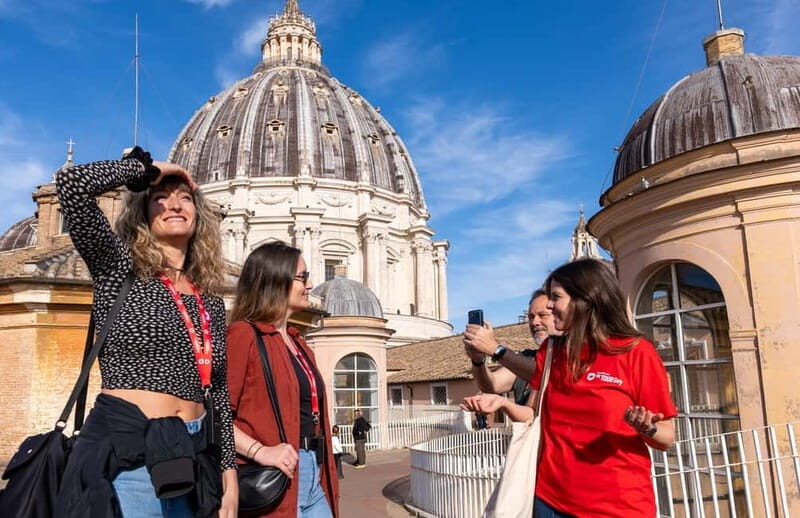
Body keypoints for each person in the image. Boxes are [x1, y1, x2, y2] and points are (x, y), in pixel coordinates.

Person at [54, 147, 238, 517]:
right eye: (160, 198)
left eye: (185, 198)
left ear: (198, 214)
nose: (174, 205)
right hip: (130, 458)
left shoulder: (209, 300)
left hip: (193, 459)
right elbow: (72, 184)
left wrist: (229, 477)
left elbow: (218, 393)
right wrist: (146, 169)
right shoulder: (117, 268)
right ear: (142, 213)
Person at [462, 259, 677, 517]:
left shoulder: (637, 352)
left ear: (586, 299)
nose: (549, 305)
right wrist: (501, 400)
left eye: (556, 297)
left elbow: (666, 437)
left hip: (617, 506)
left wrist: (647, 427)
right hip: (549, 501)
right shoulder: (551, 351)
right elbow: (527, 405)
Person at [227, 241, 339, 517]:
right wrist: (259, 451)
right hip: (273, 475)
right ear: (275, 279)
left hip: (312, 472)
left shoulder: (300, 345)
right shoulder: (244, 335)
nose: (310, 285)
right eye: (302, 277)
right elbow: (215, 416)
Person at [464, 289, 558, 405]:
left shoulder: (573, 358)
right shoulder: (527, 357)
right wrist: (477, 360)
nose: (534, 322)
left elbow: (546, 375)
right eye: (531, 317)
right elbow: (492, 385)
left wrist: (495, 349)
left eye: (542, 315)